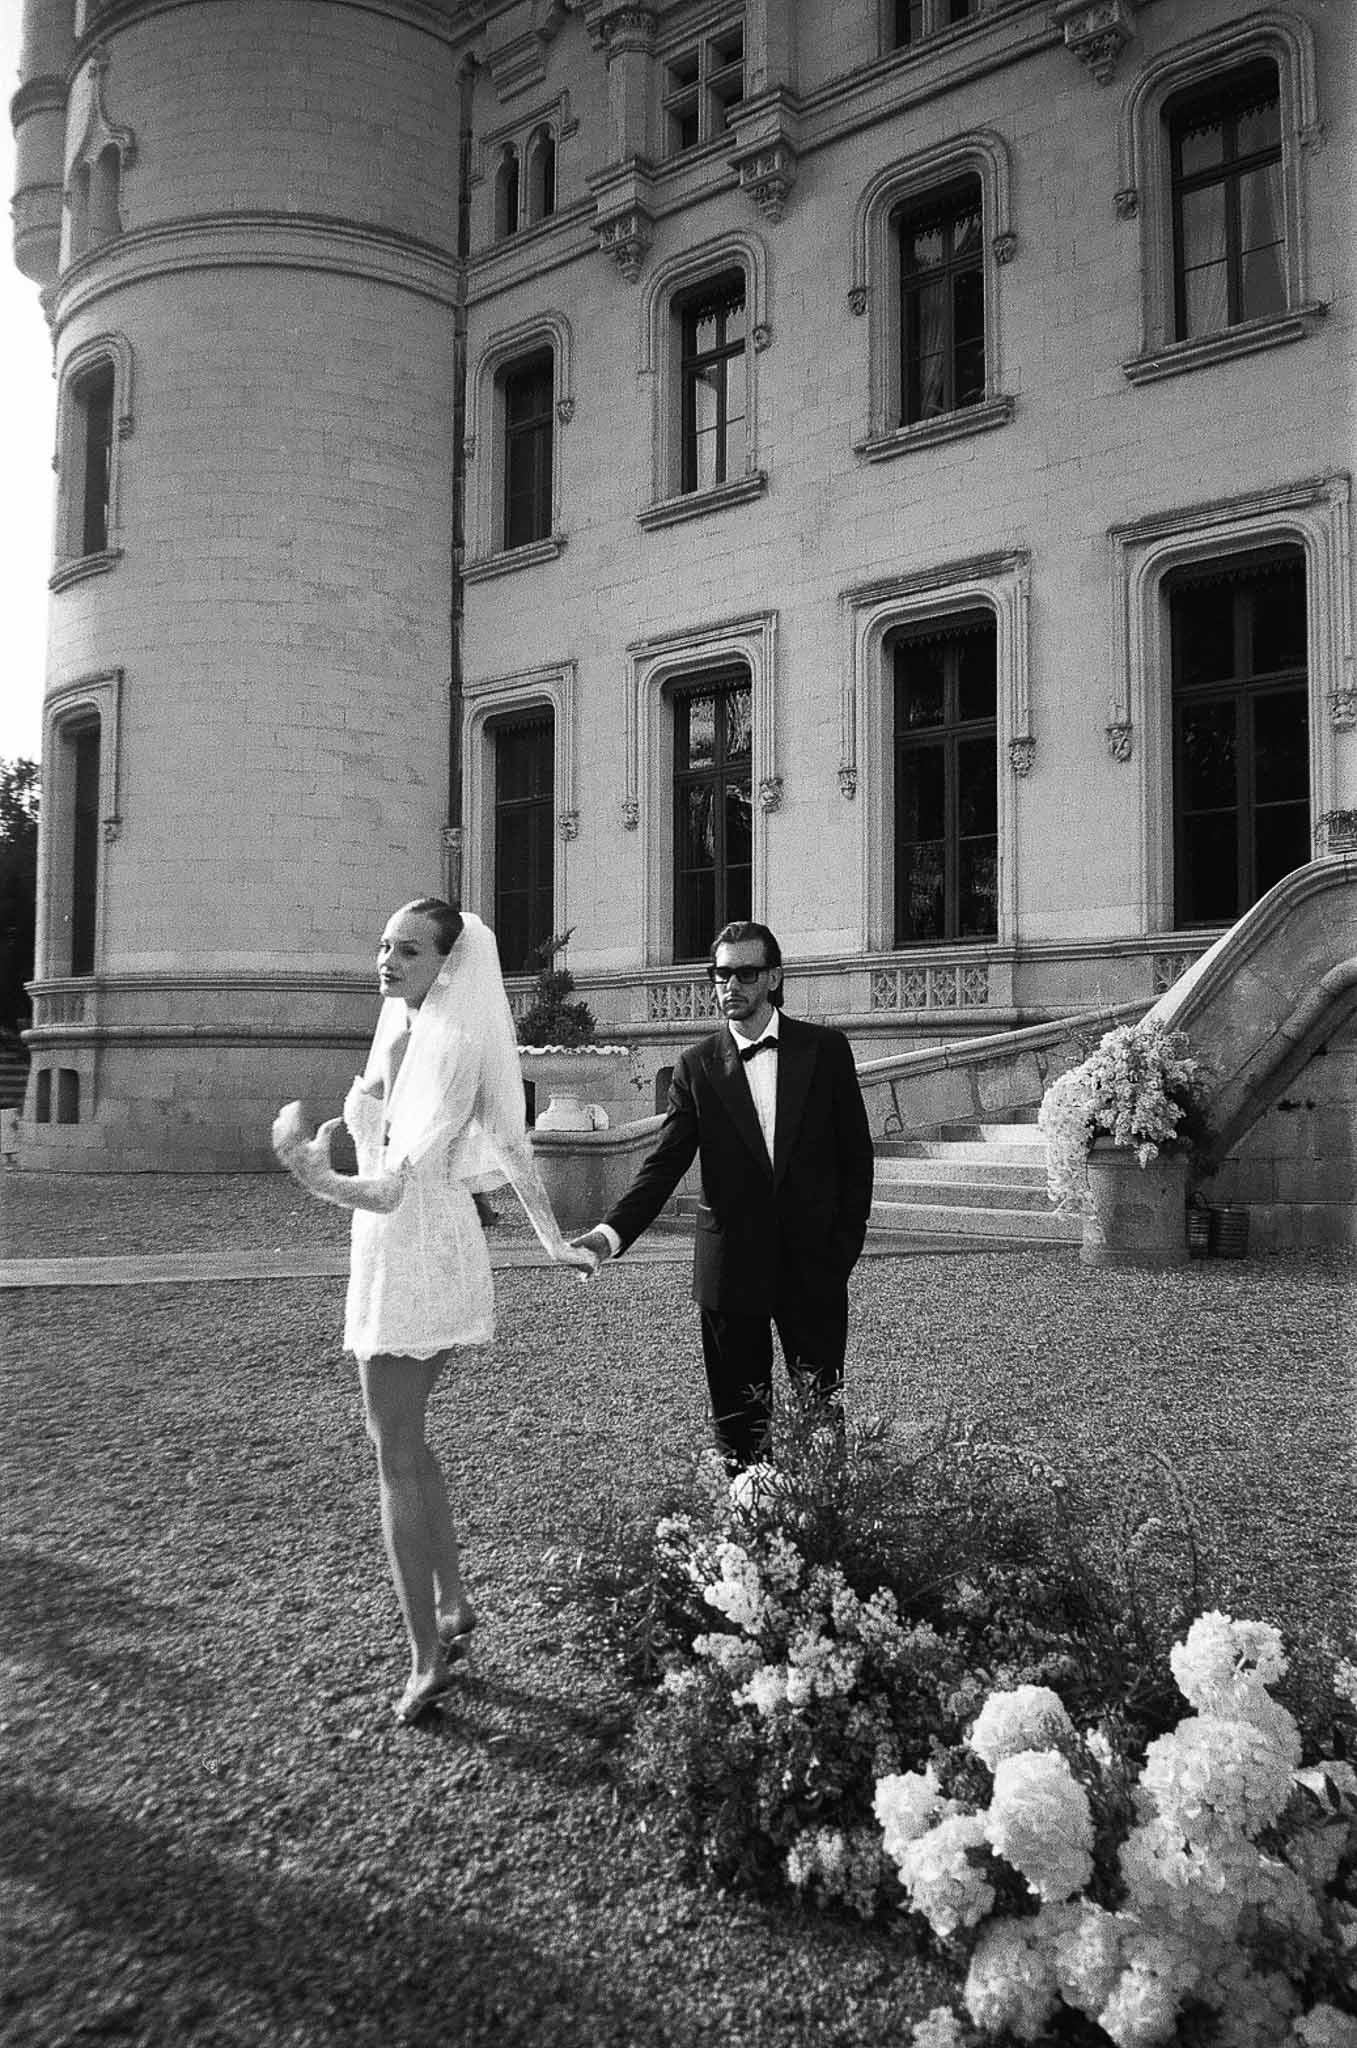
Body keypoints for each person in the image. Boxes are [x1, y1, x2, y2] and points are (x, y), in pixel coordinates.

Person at [272, 897, 595, 1724]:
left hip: (418, 1242)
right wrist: (329, 1155)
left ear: (446, 965)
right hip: (392, 1243)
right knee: (401, 1441)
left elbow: (397, 1182)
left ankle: (425, 1659)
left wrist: (310, 1173)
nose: (387, 961)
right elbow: (375, 1126)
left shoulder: (452, 1046)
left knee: (392, 1452)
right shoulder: (398, 1023)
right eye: (383, 945)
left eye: (408, 951)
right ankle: (451, 1604)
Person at [572, 920, 874, 1471]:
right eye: (721, 973)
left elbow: (856, 1159)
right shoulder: (696, 1066)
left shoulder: (827, 1050)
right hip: (730, 1268)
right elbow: (664, 1165)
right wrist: (607, 1235)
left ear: (774, 977)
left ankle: (825, 1534)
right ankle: (751, 1539)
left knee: (821, 1417)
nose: (730, 985)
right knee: (739, 1430)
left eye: (745, 972)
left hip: (815, 1266)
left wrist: (841, 1252)